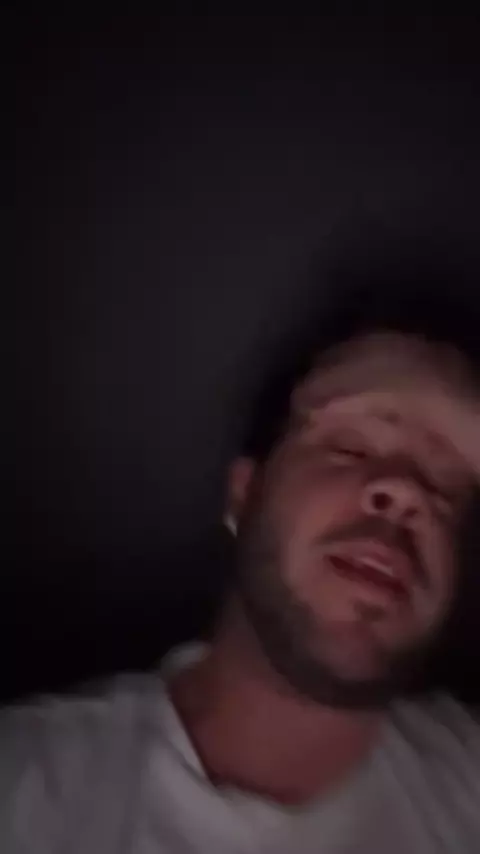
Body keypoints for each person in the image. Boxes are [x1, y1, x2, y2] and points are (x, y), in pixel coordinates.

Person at [3, 285, 480, 853]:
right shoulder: (24, 788)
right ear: (243, 494)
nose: (405, 493)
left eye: (446, 487)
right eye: (351, 447)